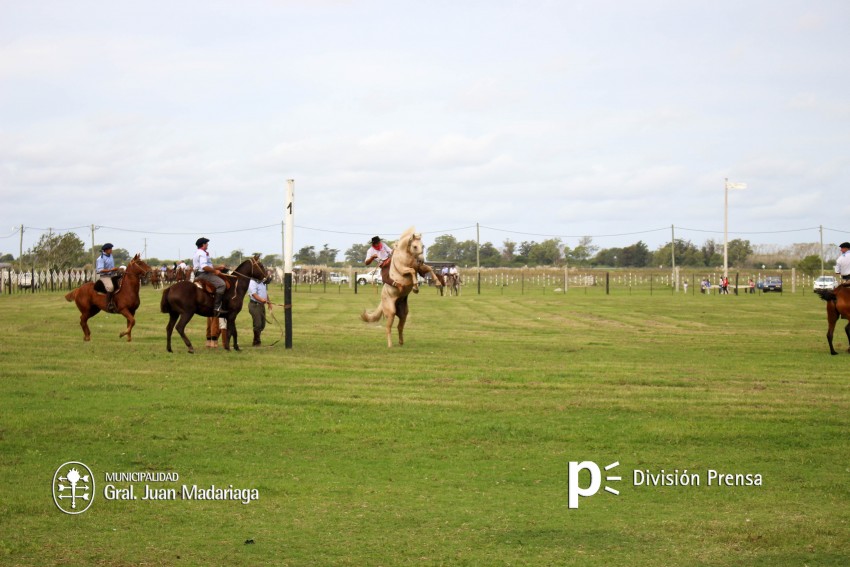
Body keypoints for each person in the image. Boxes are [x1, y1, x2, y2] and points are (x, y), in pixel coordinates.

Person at [193, 237, 228, 315]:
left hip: (199, 273)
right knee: (222, 284)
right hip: (203, 274)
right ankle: (217, 307)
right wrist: (215, 271)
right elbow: (204, 267)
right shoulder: (202, 253)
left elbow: (208, 266)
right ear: (203, 244)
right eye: (206, 243)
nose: (207, 244)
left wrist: (218, 267)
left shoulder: (198, 252)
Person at [248, 275, 272, 346]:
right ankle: (256, 342)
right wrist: (261, 300)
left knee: (262, 325)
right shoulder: (252, 282)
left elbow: (265, 293)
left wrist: (269, 302)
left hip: (261, 305)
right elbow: (254, 294)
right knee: (258, 324)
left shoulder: (262, 282)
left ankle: (257, 338)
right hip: (255, 305)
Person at [96, 243, 119, 312]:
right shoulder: (101, 259)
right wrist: (111, 270)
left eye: (111, 249)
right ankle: (108, 304)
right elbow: (100, 270)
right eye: (110, 249)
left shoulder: (110, 255)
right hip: (105, 276)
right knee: (110, 287)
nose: (111, 250)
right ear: (105, 250)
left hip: (112, 275)